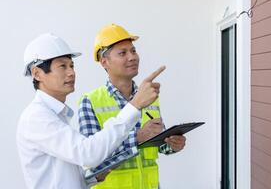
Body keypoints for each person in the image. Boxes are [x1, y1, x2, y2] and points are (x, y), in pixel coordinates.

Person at [16, 33, 165, 189]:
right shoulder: (37, 117)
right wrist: (134, 106)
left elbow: (63, 178)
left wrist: (93, 178)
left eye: (71, 66)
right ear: (37, 73)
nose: (71, 72)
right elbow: (88, 154)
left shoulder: (56, 115)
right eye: (62, 66)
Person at [78, 24, 186, 189]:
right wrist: (137, 138)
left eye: (133, 51)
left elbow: (156, 146)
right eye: (123, 53)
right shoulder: (90, 102)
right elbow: (93, 161)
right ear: (104, 62)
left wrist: (171, 145)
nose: (132, 57)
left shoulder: (150, 96)